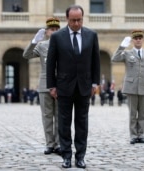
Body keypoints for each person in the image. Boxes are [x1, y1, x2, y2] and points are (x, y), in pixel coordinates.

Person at [46, 5, 100, 169]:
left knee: (82, 123)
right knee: (64, 123)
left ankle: (80, 157)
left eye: (79, 20)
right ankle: (66, 156)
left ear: (82, 18)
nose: (76, 23)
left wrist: (95, 83)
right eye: (73, 20)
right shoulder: (57, 37)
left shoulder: (91, 35)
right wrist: (51, 86)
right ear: (67, 19)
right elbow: (51, 63)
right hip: (63, 86)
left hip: (84, 86)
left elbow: (95, 61)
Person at [23, 17, 61, 155]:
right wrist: (34, 42)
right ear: (46, 32)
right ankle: (49, 144)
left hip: (61, 85)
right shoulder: (42, 45)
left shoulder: (64, 44)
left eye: (57, 29)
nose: (55, 31)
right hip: (45, 85)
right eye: (52, 30)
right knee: (47, 116)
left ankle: (58, 144)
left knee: (59, 116)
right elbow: (26, 55)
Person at [112, 30, 144, 144]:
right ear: (133, 40)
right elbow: (114, 58)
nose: (138, 40)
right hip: (131, 86)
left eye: (140, 38)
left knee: (142, 113)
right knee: (133, 113)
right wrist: (122, 46)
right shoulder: (127, 53)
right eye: (136, 38)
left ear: (143, 40)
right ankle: (133, 135)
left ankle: (141, 134)